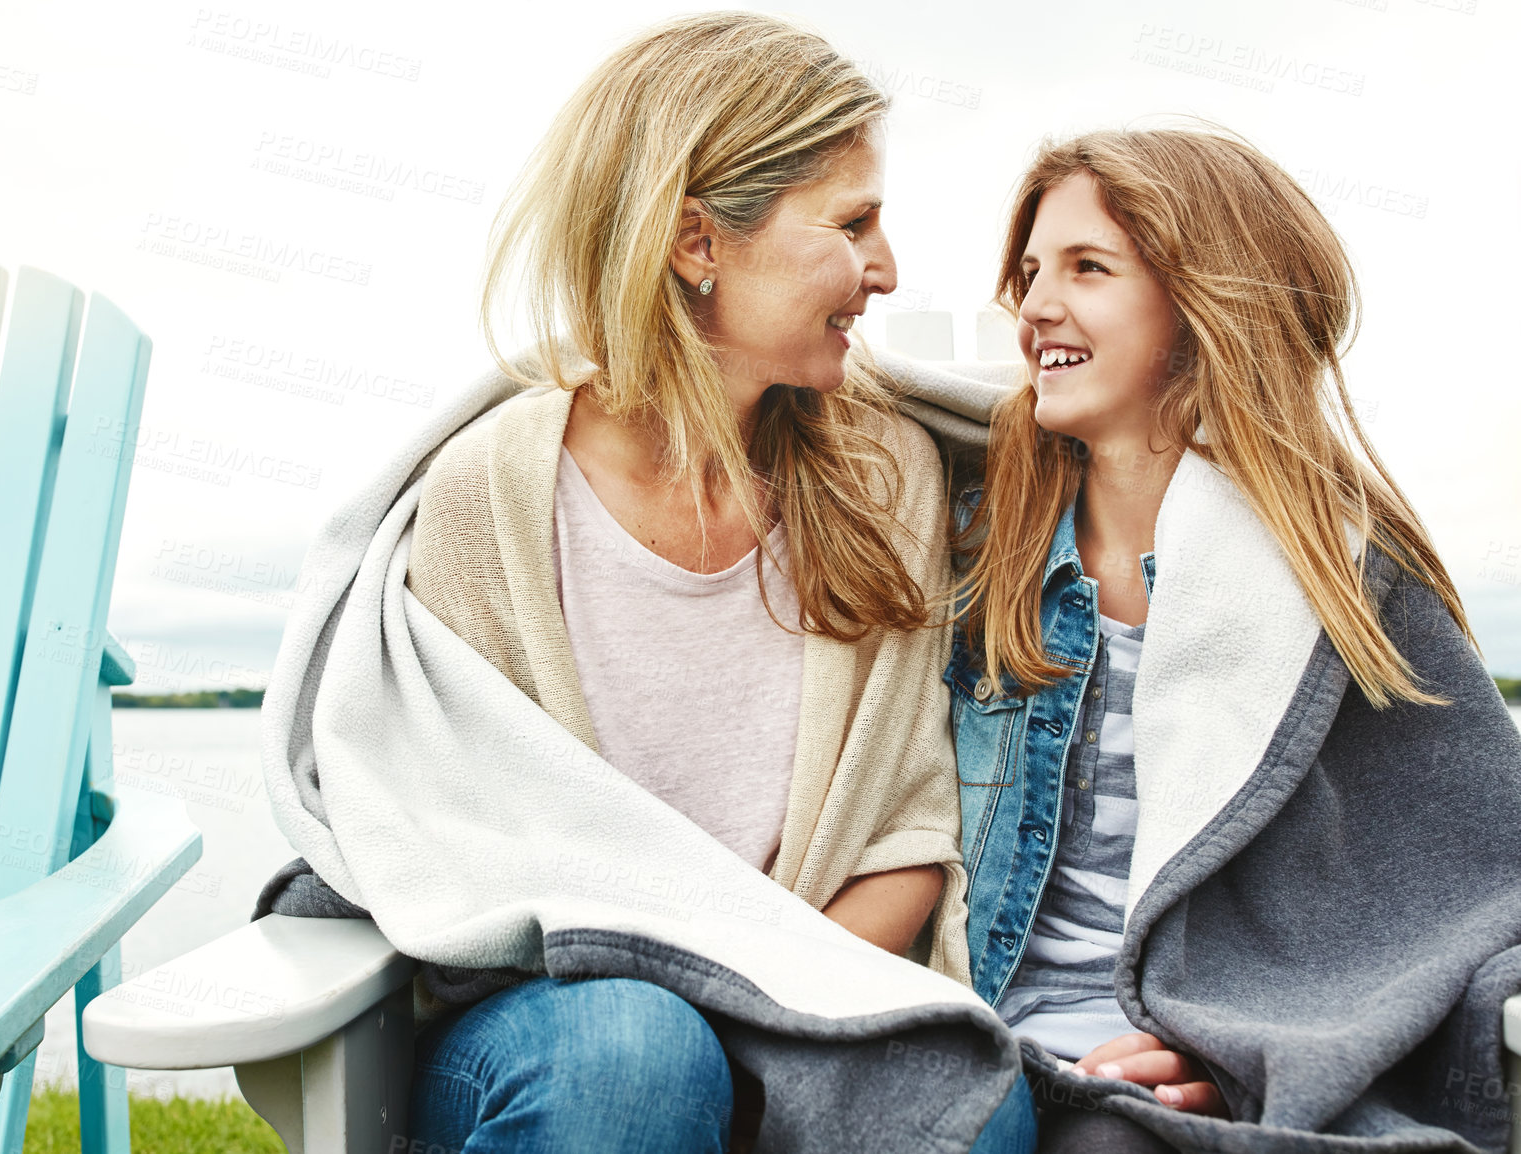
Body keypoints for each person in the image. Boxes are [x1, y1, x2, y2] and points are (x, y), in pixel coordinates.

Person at [255, 12, 1035, 1153]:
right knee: (636, 1056)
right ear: (694, 242)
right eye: (853, 222)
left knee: (959, 1099)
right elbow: (447, 852)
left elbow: (901, 837)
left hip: (808, 1001)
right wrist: (695, 1023)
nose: (887, 269)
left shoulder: (883, 475)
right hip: (544, 1026)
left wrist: (756, 1020)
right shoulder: (491, 499)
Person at [947, 126, 1521, 1153]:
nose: (1034, 307)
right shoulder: (975, 543)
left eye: (1088, 268)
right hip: (962, 1029)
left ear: (1201, 298)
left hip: (1160, 1071)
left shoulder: (1341, 580)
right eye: (1029, 271)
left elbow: (1477, 879)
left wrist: (1252, 1040)